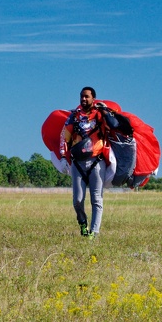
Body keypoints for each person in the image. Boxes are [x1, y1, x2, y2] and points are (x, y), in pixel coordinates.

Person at [59, 86, 110, 238]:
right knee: (77, 200)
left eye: (87, 96)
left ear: (93, 98)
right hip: (78, 163)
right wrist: (63, 157)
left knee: (96, 199)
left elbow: (112, 126)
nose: (83, 99)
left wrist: (106, 112)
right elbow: (64, 137)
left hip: (96, 161)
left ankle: (94, 233)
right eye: (82, 96)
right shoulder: (74, 117)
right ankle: (83, 223)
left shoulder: (100, 115)